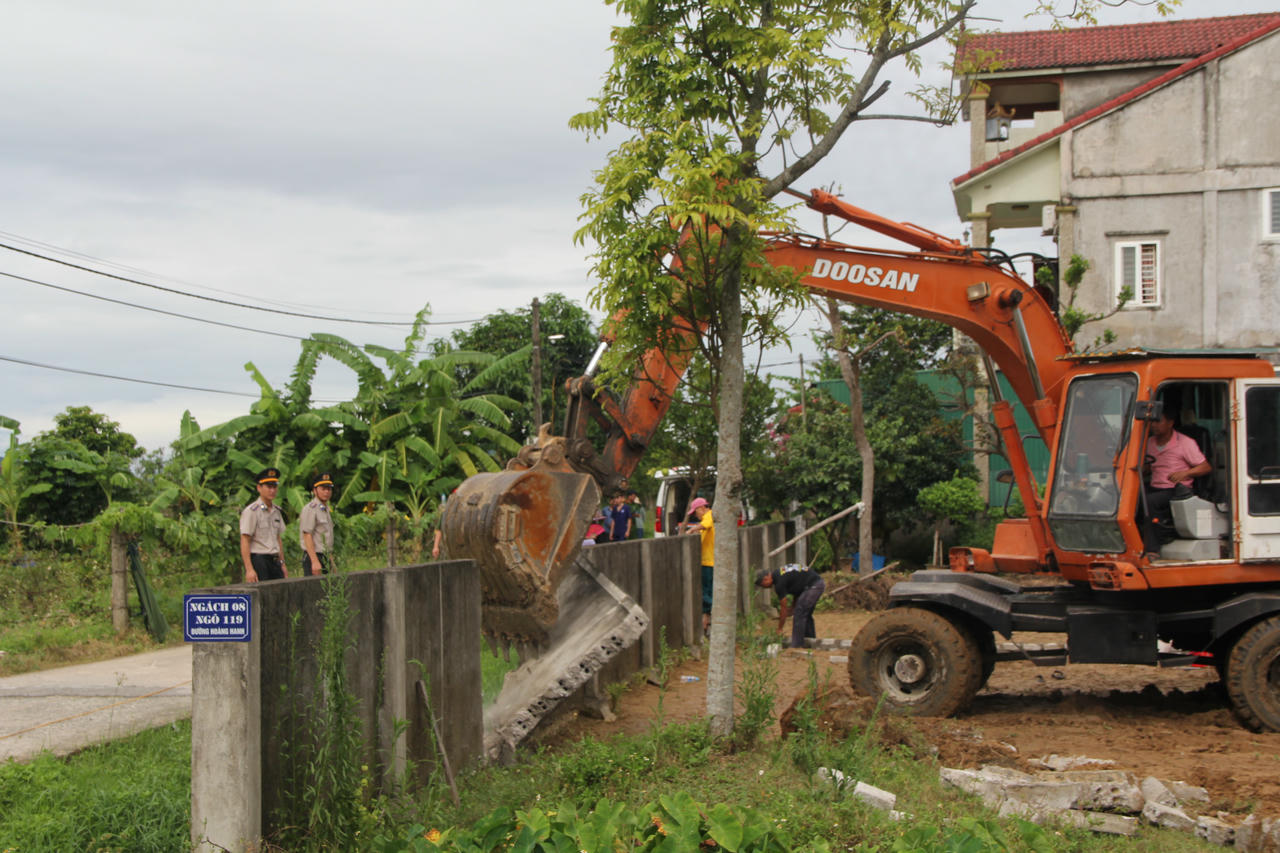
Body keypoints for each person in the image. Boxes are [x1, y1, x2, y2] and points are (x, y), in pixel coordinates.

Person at [1141, 411, 1211, 555]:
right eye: (1152, 422)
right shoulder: (1149, 443)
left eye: (1158, 421)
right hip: (1155, 486)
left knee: (1149, 501)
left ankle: (1153, 549)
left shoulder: (1185, 442)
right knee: (1131, 500)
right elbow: (1148, 468)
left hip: (1176, 489)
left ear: (1170, 423)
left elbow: (1205, 467)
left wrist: (1185, 473)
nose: (1154, 425)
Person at [755, 565, 826, 650]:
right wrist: (792, 607)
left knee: (799, 613)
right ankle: (810, 642)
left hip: (814, 586)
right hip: (816, 583)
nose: (764, 588)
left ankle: (796, 646)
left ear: (766, 578)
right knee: (805, 614)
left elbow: (783, 608)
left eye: (762, 585)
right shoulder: (779, 573)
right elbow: (798, 589)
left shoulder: (779, 583)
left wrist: (780, 629)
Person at [240, 467, 288, 582]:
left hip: (275, 561)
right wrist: (249, 569)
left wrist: (282, 563)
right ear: (259, 488)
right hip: (260, 561)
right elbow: (245, 539)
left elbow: (277, 538)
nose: (272, 490)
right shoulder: (252, 511)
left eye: (274, 487)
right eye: (268, 487)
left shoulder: (276, 511)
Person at [686, 497, 714, 636]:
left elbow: (705, 525)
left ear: (701, 508)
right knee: (706, 593)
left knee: (706, 593)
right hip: (706, 561)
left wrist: (691, 530)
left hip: (708, 562)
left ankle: (715, 612)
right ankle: (706, 622)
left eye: (695, 512)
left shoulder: (709, 516)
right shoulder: (706, 519)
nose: (695, 515)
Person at [299, 472, 335, 576]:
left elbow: (326, 539)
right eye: (323, 489)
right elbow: (307, 535)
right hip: (314, 556)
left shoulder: (326, 509)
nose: (326, 492)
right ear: (315, 490)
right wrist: (314, 561)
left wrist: (331, 562)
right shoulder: (311, 509)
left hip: (325, 556)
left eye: (329, 489)